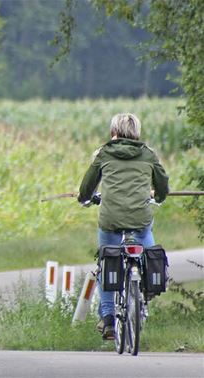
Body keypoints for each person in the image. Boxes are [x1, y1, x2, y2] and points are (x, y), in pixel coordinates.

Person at [77, 113, 169, 340]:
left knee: (107, 260)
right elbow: (163, 184)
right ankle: (146, 283)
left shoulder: (104, 153)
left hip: (110, 221)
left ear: (113, 132)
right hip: (140, 220)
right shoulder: (148, 154)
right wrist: (158, 196)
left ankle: (108, 318)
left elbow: (88, 185)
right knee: (148, 249)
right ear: (137, 132)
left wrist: (85, 199)